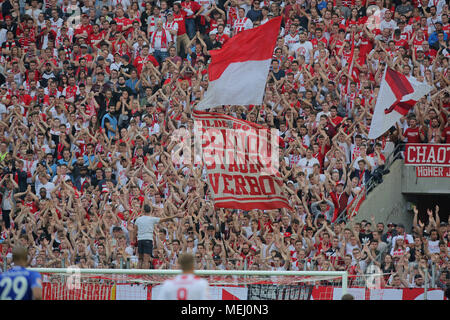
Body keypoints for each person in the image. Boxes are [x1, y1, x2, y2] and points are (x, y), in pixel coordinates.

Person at [132, 204, 182, 269]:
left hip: (140, 240)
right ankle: (144, 277)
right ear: (150, 211)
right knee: (146, 260)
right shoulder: (152, 219)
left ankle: (138, 276)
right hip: (148, 240)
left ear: (143, 211)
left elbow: (134, 231)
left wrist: (133, 240)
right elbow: (165, 219)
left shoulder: (138, 219)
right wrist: (175, 216)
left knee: (140, 260)